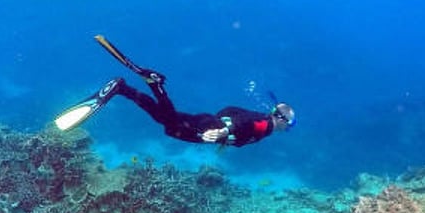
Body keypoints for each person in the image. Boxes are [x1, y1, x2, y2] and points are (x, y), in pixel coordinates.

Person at [53, 36, 295, 147]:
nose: (289, 128)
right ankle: (155, 85)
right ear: (281, 119)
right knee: (170, 124)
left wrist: (222, 124)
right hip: (208, 128)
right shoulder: (267, 126)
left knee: (164, 118)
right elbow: (243, 124)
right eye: (291, 124)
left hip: (208, 120)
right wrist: (223, 130)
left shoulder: (259, 116)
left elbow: (231, 110)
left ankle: (122, 88)